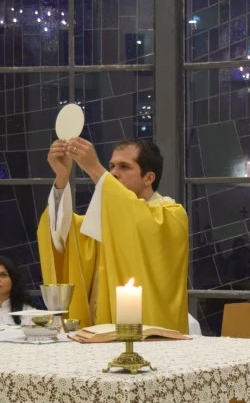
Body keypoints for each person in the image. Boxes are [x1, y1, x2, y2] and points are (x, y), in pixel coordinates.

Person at [36, 137, 189, 333]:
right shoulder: (106, 220)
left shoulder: (170, 215)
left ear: (148, 178)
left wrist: (94, 168)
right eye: (112, 166)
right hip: (99, 331)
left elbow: (137, 222)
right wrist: (62, 178)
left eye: (124, 167)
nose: (114, 173)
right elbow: (63, 232)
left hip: (149, 335)